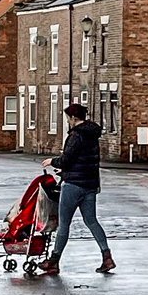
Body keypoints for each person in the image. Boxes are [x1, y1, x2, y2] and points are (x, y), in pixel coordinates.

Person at [39, 103, 115, 275]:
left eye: (68, 118)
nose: (68, 122)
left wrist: (53, 161)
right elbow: (83, 159)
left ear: (73, 118)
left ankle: (53, 261)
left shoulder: (76, 135)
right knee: (92, 221)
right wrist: (66, 170)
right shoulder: (92, 134)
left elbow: (66, 159)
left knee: (64, 224)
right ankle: (107, 257)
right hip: (90, 184)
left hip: (73, 185)